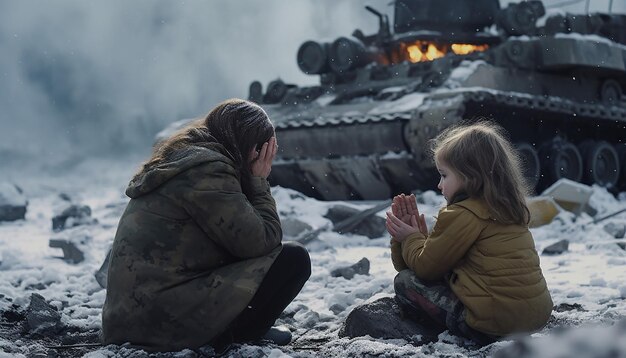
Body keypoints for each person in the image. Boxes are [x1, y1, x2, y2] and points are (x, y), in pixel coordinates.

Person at [102, 98, 311, 352]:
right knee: (293, 260)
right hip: (157, 320)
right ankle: (238, 333)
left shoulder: (188, 159)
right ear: (250, 146)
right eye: (262, 149)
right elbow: (260, 241)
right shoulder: (208, 171)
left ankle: (232, 327)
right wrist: (258, 181)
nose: (262, 157)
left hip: (132, 315)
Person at [385, 121, 553, 345]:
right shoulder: (507, 209)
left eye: (444, 175)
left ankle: (442, 334)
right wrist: (415, 240)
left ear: (470, 176)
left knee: (404, 282)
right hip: (534, 318)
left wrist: (409, 238)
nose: (439, 185)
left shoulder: (463, 214)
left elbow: (424, 270)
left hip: (495, 325)